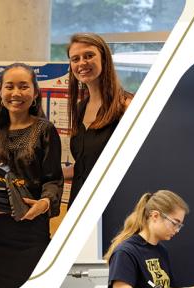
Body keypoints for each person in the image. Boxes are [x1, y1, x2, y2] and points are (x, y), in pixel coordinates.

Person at [0, 62, 63, 288]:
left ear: (35, 92)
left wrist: (44, 203)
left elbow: (53, 179)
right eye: (10, 86)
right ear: (0, 92)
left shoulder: (45, 130)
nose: (16, 93)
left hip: (30, 231)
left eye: (23, 86)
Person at [67, 32, 132, 207]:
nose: (82, 63)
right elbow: (84, 167)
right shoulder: (80, 108)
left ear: (104, 59)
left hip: (112, 205)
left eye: (89, 56)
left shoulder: (126, 106)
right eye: (75, 59)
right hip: (79, 203)